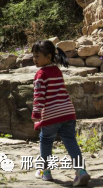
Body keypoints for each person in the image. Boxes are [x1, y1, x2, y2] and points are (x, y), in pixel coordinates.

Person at [31, 40, 90, 186]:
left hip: (51, 115)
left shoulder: (41, 74)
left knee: (46, 141)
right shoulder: (56, 71)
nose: (34, 59)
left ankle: (46, 171)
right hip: (68, 112)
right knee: (70, 141)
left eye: (37, 56)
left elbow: (39, 96)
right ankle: (81, 171)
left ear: (49, 56)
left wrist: (36, 114)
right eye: (33, 56)